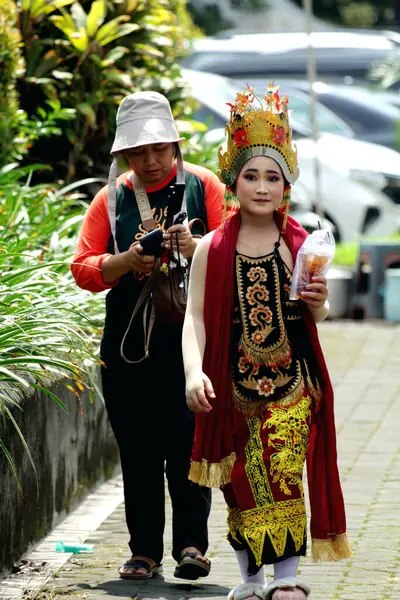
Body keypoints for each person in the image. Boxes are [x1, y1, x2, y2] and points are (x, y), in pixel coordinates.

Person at [182, 83, 352, 600]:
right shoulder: (213, 246)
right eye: (251, 175)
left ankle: (287, 580)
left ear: (287, 185)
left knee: (282, 473)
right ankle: (252, 581)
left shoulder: (301, 244)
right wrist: (194, 371)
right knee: (241, 485)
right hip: (233, 385)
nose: (261, 186)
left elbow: (318, 312)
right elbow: (195, 317)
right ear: (233, 180)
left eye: (272, 177)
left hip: (292, 385)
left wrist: (319, 298)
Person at [71, 91, 225, 580]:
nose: (152, 160)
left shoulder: (205, 186)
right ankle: (143, 552)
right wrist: (126, 260)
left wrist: (195, 244)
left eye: (160, 148)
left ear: (175, 144)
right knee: (136, 451)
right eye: (139, 153)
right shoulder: (111, 198)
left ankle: (192, 548)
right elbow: (83, 267)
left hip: (191, 345)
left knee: (189, 445)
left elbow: (235, 250)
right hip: (129, 349)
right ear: (124, 156)